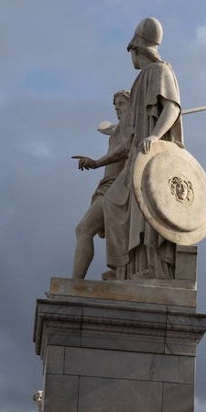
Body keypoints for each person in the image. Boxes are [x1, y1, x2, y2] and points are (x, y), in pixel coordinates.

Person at [98, 17, 185, 280]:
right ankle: (128, 268)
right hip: (137, 154)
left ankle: (153, 267)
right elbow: (127, 136)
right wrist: (98, 161)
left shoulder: (160, 71)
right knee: (115, 204)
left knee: (149, 213)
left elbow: (172, 107)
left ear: (136, 49)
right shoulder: (142, 80)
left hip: (152, 157)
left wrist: (156, 136)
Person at [71, 90, 133, 279]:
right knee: (110, 231)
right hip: (108, 185)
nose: (117, 108)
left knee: (84, 229)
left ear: (133, 105)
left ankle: (76, 282)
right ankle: (119, 270)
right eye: (115, 105)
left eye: (121, 104)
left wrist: (97, 162)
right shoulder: (121, 128)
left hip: (117, 186)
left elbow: (126, 148)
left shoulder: (132, 123)